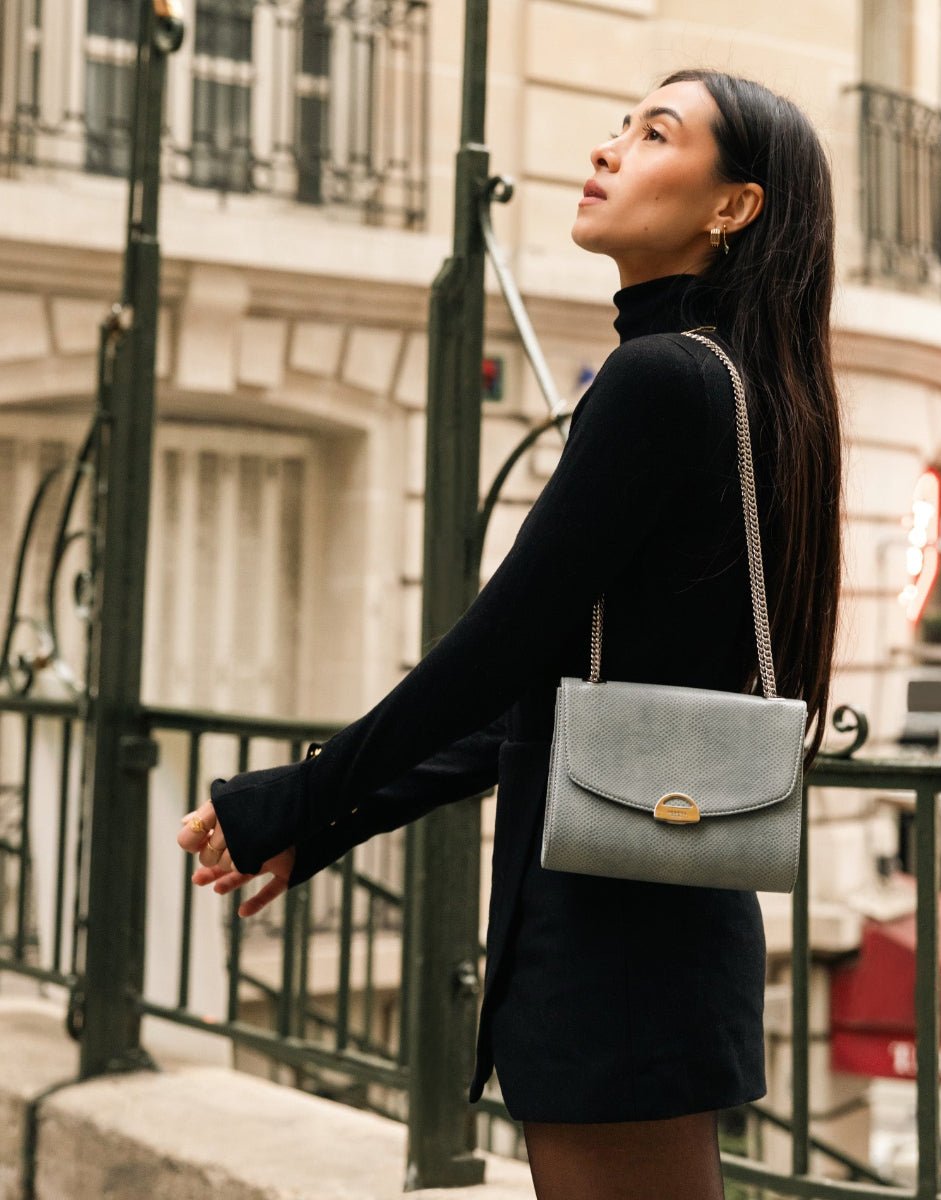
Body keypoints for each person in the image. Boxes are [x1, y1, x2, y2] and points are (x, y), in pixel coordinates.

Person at [176, 68, 843, 1200]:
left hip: (613, 929)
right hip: (649, 910)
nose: (607, 149)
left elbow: (496, 649)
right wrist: (331, 823)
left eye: (654, 134)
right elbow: (535, 701)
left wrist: (296, 795)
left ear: (734, 207)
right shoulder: (744, 388)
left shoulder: (662, 382)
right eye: (620, 126)